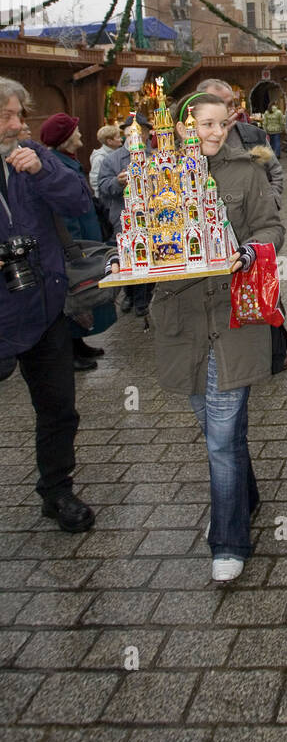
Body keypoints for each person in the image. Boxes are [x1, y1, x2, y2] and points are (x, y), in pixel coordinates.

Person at [115, 93, 285, 582]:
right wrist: (123, 259)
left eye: (221, 123)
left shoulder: (248, 172)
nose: (213, 132)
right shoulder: (154, 175)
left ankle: (229, 540)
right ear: (182, 125)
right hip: (181, 322)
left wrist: (250, 252)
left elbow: (272, 228)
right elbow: (134, 232)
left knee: (220, 436)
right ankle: (242, 498)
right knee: (219, 431)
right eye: (203, 123)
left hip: (233, 318)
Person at [0, 78, 95, 531]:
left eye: (20, 115)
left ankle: (57, 492)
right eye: (6, 117)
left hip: (42, 306)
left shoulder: (33, 157)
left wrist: (43, 169)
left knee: (59, 407)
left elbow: (78, 199)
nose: (17, 125)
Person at [40, 113, 116, 370]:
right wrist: (72, 243)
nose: (81, 133)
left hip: (84, 234)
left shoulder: (68, 161)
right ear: (66, 138)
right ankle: (70, 352)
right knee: (74, 293)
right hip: (73, 239)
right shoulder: (57, 166)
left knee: (82, 291)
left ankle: (79, 342)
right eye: (76, 130)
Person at [97, 113, 155, 319]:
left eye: (141, 132)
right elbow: (102, 187)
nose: (136, 136)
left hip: (151, 215)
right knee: (128, 256)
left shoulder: (154, 156)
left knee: (146, 256)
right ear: (124, 135)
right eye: (131, 133)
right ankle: (130, 294)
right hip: (123, 217)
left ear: (148, 134)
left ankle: (143, 299)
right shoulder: (112, 159)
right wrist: (118, 182)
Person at [196, 79, 283, 204]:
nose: (228, 109)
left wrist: (271, 202)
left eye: (231, 103)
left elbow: (275, 172)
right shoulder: (194, 139)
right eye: (218, 104)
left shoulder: (253, 134)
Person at [89, 123, 123, 190]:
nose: (121, 139)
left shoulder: (118, 153)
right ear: (109, 141)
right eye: (118, 137)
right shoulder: (99, 158)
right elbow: (95, 182)